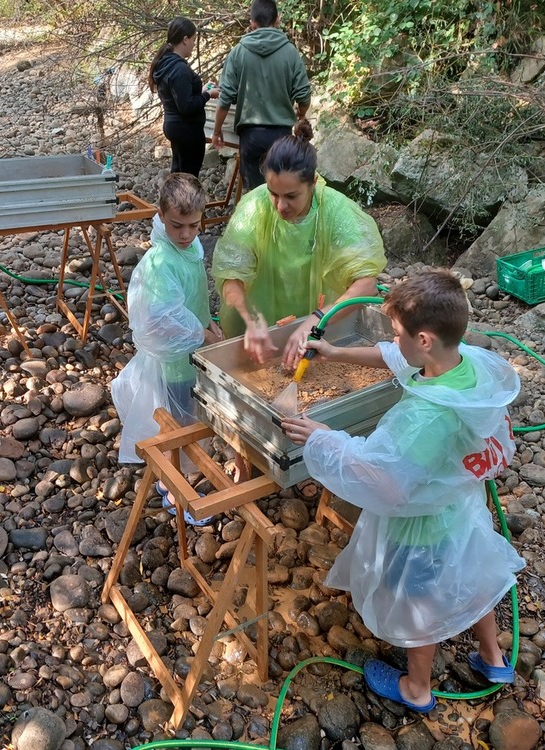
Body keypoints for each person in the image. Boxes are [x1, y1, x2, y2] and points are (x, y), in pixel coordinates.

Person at [281, 270, 525, 713]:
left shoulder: (426, 419)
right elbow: (398, 358)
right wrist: (336, 351)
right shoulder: (466, 362)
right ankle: (493, 659)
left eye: (397, 333)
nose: (393, 342)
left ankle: (417, 688)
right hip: (462, 510)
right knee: (470, 575)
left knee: (422, 600)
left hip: (423, 527)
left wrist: (322, 437)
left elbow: (385, 481)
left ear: (426, 339)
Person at [210, 122, 387, 373]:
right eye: (273, 193)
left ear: (313, 183)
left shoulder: (337, 211)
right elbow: (231, 275)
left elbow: (367, 284)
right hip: (260, 330)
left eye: (291, 196)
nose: (280, 206)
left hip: (324, 324)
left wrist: (315, 321)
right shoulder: (254, 207)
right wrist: (249, 321)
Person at [111, 173, 223, 525]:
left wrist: (207, 323)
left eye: (193, 225)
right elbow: (158, 320)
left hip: (192, 353)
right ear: (160, 215)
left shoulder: (189, 248)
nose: (187, 234)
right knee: (179, 425)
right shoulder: (160, 264)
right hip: (176, 362)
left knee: (188, 418)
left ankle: (172, 479)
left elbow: (189, 299)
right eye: (177, 226)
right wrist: (202, 335)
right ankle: (175, 490)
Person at [211, 0, 311, 190]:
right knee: (280, 192)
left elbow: (225, 98)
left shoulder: (238, 52)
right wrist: (302, 114)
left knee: (254, 196)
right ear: (278, 20)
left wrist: (217, 131)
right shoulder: (290, 52)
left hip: (251, 136)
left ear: (252, 22)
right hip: (281, 135)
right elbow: (304, 95)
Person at [149, 17, 220, 179]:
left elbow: (180, 96)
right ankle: (185, 204)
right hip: (187, 130)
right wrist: (208, 94)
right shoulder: (179, 69)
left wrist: (202, 91)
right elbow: (186, 106)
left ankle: (173, 202)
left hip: (174, 125)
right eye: (194, 40)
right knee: (188, 177)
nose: (194, 45)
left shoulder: (165, 64)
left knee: (178, 174)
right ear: (185, 40)